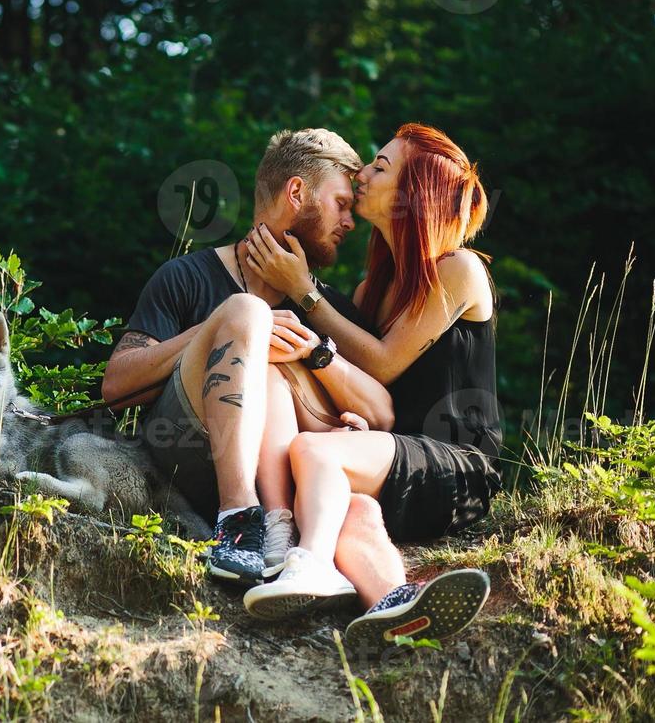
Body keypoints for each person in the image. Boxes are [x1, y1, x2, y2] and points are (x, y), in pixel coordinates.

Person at [239, 122, 502, 652]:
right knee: (349, 509)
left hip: (459, 466)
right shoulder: (371, 289)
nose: (363, 173)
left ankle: (309, 563)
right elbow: (365, 383)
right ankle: (395, 604)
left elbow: (379, 365)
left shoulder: (458, 270)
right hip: (393, 459)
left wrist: (303, 291)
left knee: (314, 452)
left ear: (414, 193)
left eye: (381, 166)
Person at [101, 128, 384, 587]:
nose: (350, 221)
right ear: (297, 192)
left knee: (361, 512)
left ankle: (382, 598)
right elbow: (116, 387)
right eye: (341, 204)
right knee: (247, 311)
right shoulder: (187, 276)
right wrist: (225, 327)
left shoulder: (324, 308)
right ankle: (236, 517)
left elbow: (381, 412)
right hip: (187, 457)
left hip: (290, 494)